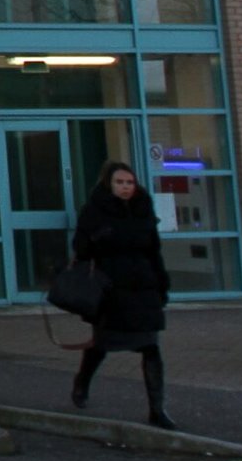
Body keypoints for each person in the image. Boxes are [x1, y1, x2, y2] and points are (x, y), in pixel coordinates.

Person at [70, 160, 174, 428]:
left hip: (143, 287)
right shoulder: (94, 211)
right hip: (111, 289)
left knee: (151, 347)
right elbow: (81, 249)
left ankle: (157, 409)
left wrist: (162, 284)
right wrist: (99, 237)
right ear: (109, 184)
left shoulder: (143, 209)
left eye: (129, 182)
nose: (126, 188)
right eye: (119, 182)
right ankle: (82, 381)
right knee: (102, 344)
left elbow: (154, 250)